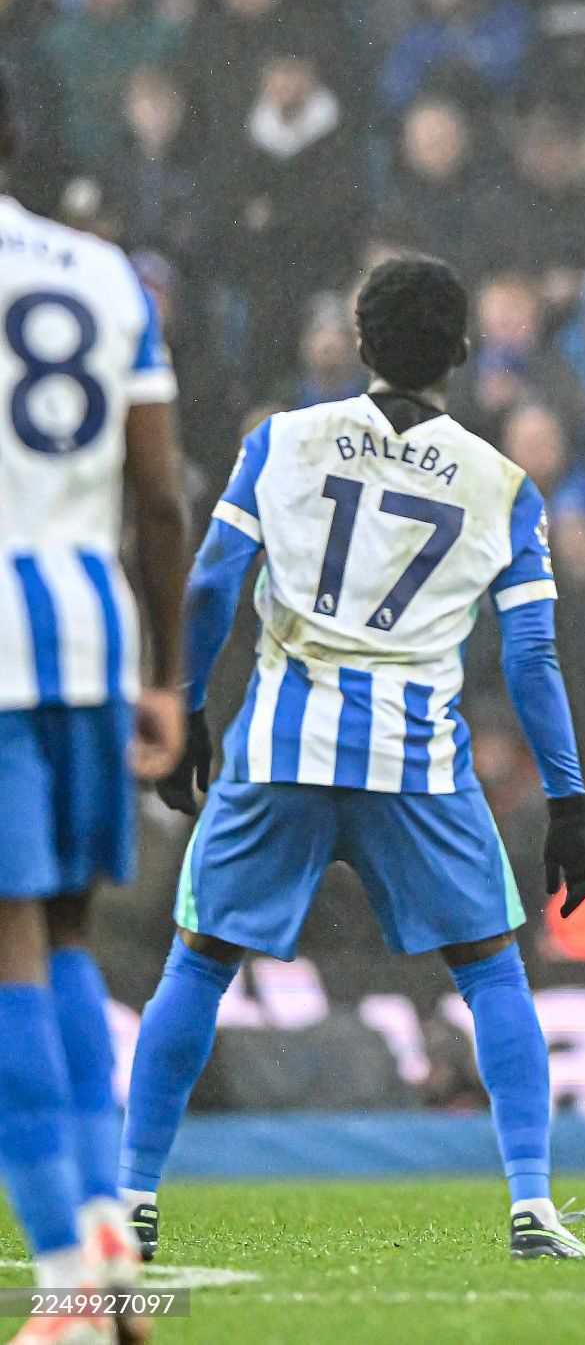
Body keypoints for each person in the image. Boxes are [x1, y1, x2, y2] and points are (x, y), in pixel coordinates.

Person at [118, 256, 585, 1264]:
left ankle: (131, 1199)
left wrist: (187, 706)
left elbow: (209, 584)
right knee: (492, 973)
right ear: (461, 351)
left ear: (358, 343)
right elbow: (531, 657)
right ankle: (530, 1205)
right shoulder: (503, 485)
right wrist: (567, 802)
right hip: (414, 761)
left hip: (282, 743)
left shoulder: (282, 441)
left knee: (199, 963)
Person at [0, 66, 189, 1345]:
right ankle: (106, 1234)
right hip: (90, 629)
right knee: (63, 936)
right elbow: (159, 495)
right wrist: (165, 674)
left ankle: (71, 1272)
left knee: (7, 949)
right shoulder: (100, 270)